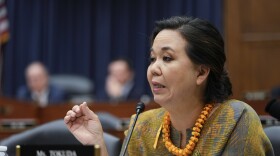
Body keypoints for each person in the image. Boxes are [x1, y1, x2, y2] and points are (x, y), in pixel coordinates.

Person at [64, 16, 274, 156]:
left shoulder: (235, 119)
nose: (154, 68)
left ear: (201, 72)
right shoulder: (143, 125)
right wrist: (98, 144)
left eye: (167, 58)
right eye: (152, 58)